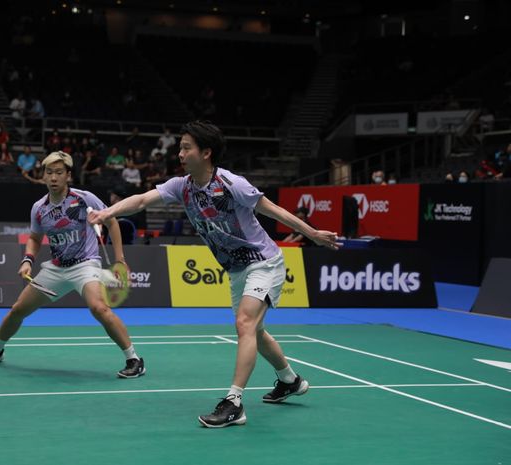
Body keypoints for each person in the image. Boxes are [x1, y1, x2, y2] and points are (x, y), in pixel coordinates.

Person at [88, 121, 339, 428]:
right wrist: (107, 213)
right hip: (235, 269)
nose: (179, 153)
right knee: (255, 333)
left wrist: (311, 233)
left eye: (186, 147)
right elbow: (141, 200)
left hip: (264, 261)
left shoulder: (231, 183)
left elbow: (272, 210)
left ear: (206, 153)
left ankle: (234, 403)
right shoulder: (182, 186)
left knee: (245, 323)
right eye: (180, 147)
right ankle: (289, 380)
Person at [0, 151, 145, 378]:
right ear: (43, 176)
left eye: (59, 173)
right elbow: (34, 238)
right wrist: (27, 260)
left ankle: (134, 359)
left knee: (99, 307)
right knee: (17, 310)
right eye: (49, 172)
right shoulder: (39, 208)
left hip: (85, 264)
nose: (53, 177)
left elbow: (111, 221)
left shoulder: (84, 198)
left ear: (68, 175)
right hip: (57, 267)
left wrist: (120, 260)